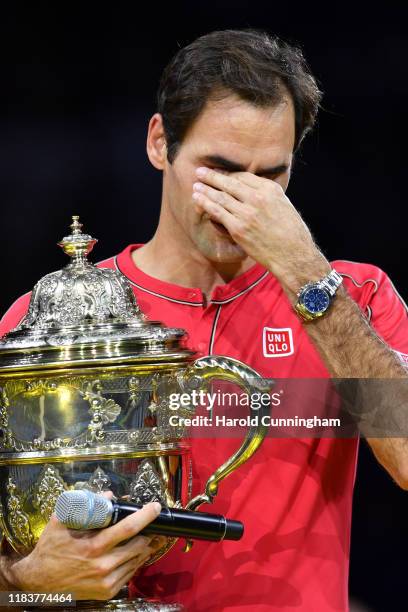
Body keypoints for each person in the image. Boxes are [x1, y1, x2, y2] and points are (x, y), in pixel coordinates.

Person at [1, 29, 408, 611]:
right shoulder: (48, 322)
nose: (242, 198)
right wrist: (27, 582)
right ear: (159, 143)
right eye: (218, 168)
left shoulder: (354, 298)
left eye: (271, 176)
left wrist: (304, 272)